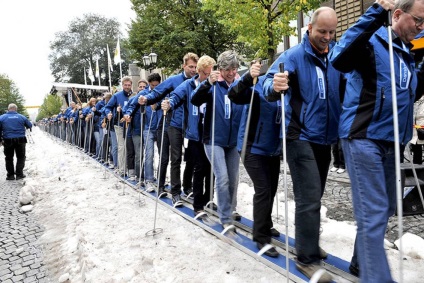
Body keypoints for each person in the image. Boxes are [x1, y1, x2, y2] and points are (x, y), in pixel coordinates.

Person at [329, 0, 424, 281]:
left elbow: (409, 93)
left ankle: (362, 264)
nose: (421, 28)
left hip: (391, 141)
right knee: (373, 211)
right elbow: (340, 57)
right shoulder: (372, 40)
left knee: (386, 209)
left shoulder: (406, 53)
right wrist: (373, 12)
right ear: (397, 14)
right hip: (364, 137)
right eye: (418, 21)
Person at [264, 7, 344, 282]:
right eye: (322, 31)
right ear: (309, 28)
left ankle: (308, 242)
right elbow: (266, 85)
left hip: (325, 138)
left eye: (332, 32)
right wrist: (274, 85)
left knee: (316, 196)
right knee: (309, 197)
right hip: (299, 136)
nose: (327, 37)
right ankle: (305, 258)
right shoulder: (293, 56)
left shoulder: (334, 55)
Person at [228, 61, 282, 258]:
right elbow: (233, 94)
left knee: (272, 190)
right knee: (264, 189)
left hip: (273, 149)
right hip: (251, 148)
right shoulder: (256, 88)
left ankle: (265, 224)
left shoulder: (284, 90)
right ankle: (261, 237)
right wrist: (248, 77)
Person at [191, 50, 244, 229]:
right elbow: (195, 100)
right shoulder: (213, 85)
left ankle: (230, 209)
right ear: (220, 69)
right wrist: (207, 83)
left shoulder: (238, 84)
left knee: (233, 178)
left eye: (234, 68)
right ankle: (225, 218)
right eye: (227, 69)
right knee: (222, 178)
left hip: (233, 140)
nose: (231, 73)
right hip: (213, 139)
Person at [138, 53, 199, 206]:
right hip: (173, 123)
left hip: (191, 126)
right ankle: (173, 191)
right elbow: (158, 92)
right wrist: (147, 99)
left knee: (191, 158)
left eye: (195, 67)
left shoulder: (198, 81)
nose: (193, 69)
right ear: (184, 66)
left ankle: (188, 187)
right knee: (173, 158)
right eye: (190, 66)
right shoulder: (174, 80)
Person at [161, 55, 215, 215]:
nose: (209, 76)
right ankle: (197, 204)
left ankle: (208, 198)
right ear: (199, 72)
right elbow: (176, 95)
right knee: (199, 168)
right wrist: (169, 103)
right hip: (194, 133)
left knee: (211, 168)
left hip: (210, 132)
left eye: (211, 73)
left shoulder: (214, 83)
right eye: (206, 73)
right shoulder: (189, 84)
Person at [104, 76, 133, 173]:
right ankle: (122, 169)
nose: (127, 87)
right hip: (119, 124)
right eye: (125, 85)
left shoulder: (134, 95)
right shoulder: (117, 96)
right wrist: (109, 113)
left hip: (132, 125)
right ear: (122, 85)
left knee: (130, 147)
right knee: (121, 147)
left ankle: (131, 168)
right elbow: (107, 107)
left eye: (129, 85)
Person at [0, 103, 32, 180]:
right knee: (21, 157)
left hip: (8, 140)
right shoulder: (21, 117)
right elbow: (30, 125)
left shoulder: (2, 117)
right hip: (20, 139)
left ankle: (10, 175)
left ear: (8, 109)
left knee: (9, 158)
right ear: (16, 109)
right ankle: (19, 174)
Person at [410, 97, 424, 164]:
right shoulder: (415, 101)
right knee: (416, 148)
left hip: (421, 129)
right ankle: (417, 167)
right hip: (416, 132)